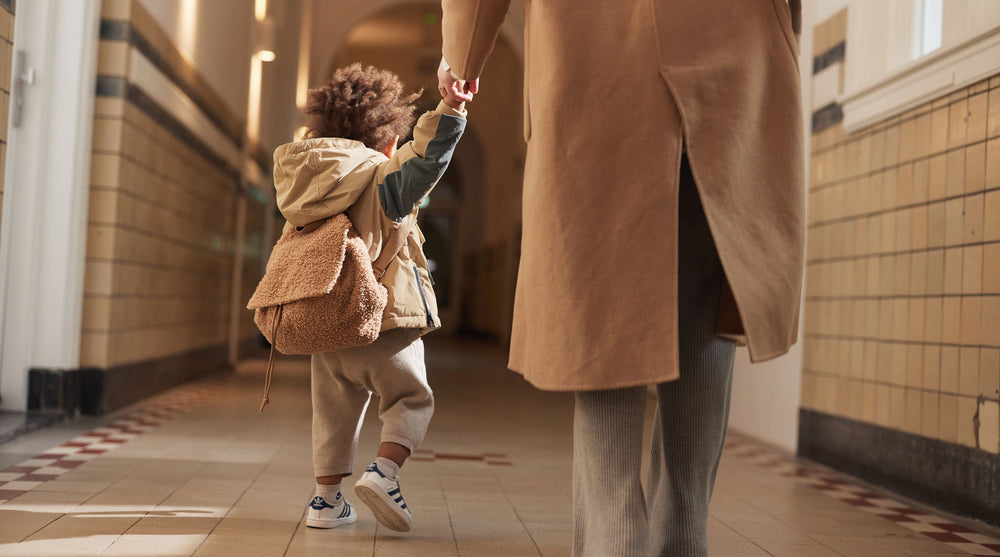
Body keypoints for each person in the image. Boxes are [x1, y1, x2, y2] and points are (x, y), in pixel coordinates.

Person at [439, 1, 804, 555]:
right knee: (707, 297)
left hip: (595, 55)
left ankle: (616, 541)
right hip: (739, 45)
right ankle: (683, 538)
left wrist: (461, 53)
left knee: (600, 305)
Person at [271, 63, 471, 532]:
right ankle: (384, 473)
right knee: (410, 399)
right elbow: (426, 158)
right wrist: (452, 107)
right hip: (383, 321)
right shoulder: (382, 178)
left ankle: (325, 503)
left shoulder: (302, 188)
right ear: (386, 139)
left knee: (332, 412)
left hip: (325, 324)